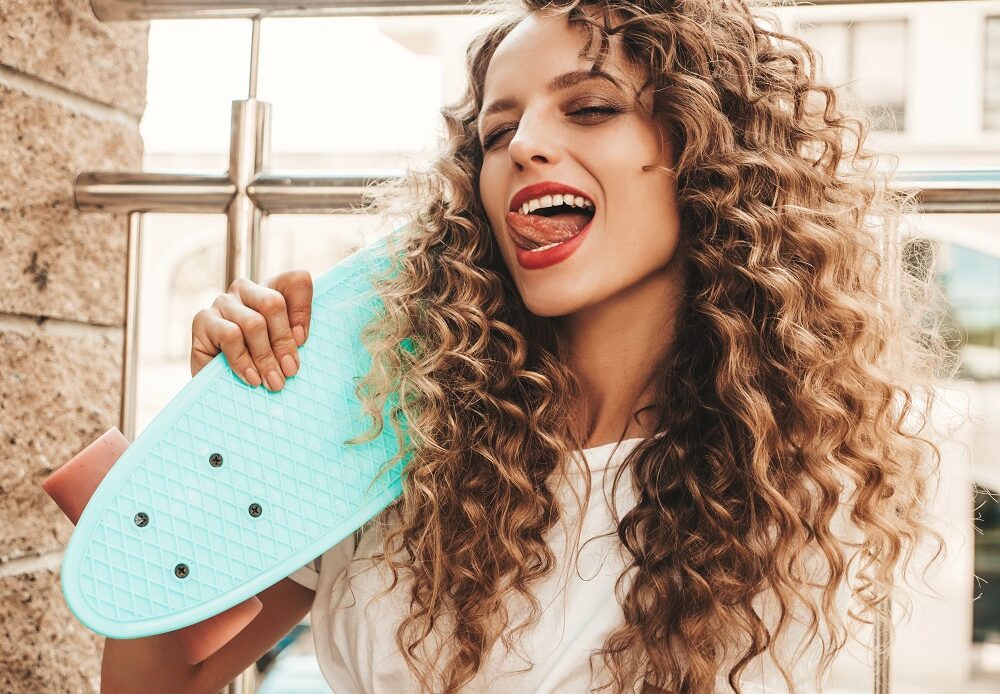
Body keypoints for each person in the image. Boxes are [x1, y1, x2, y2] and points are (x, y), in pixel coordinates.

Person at [101, 1, 956, 693]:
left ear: (711, 153)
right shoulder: (388, 413)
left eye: (591, 108)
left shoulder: (779, 480)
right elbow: (158, 679)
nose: (525, 147)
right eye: (495, 132)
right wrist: (218, 442)